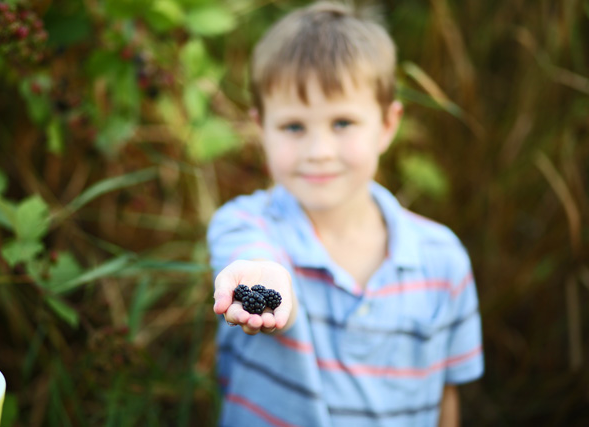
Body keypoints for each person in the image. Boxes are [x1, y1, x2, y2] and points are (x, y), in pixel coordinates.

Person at [207, 2, 484, 426]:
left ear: (387, 126)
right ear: (260, 127)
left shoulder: (442, 259)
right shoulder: (246, 224)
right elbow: (251, 255)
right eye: (294, 127)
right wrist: (265, 279)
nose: (319, 152)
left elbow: (446, 393)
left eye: (342, 124)